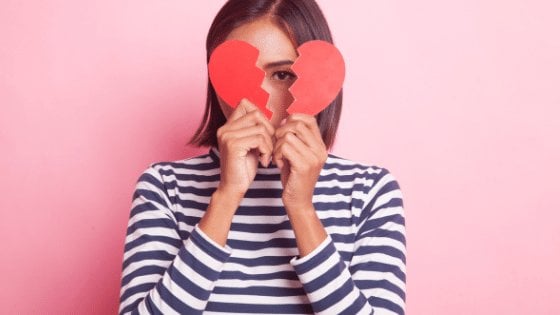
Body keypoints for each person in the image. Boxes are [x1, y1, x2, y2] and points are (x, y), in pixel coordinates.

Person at [119, 0, 406, 314]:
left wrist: (301, 208)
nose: (262, 101)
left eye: (283, 75)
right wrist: (226, 198)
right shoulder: (165, 187)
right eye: (237, 74)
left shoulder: (369, 191)